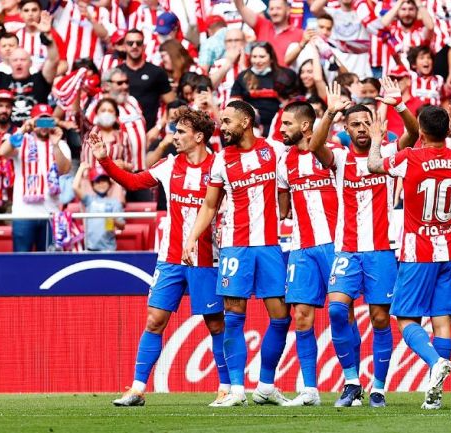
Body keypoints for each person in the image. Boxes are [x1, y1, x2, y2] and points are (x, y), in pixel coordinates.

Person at [98, 108, 230, 407]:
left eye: (181, 132)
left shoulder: (220, 166)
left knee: (215, 324)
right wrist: (103, 159)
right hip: (170, 258)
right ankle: (137, 388)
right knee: (155, 320)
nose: (175, 137)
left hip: (207, 259)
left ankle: (226, 387)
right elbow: (132, 183)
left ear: (199, 136)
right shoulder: (169, 166)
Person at [368, 104, 451, 410]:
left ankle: (435, 362)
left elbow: (373, 165)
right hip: (449, 248)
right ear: (446, 130)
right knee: (442, 322)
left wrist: (375, 138)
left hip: (417, 251)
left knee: (406, 318)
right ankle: (435, 396)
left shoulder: (409, 158)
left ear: (419, 131)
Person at [309, 80, 419, 407]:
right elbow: (316, 147)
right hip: (347, 250)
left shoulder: (386, 154)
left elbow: (412, 135)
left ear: (376, 126)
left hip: (381, 251)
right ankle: (351, 381)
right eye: (355, 124)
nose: (361, 129)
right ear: (345, 128)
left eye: (367, 123)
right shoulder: (340, 159)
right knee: (338, 309)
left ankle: (379, 387)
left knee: (380, 318)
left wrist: (399, 105)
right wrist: (328, 113)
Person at [182, 100, 291, 407]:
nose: (223, 127)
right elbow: (210, 205)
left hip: (269, 246)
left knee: (281, 317)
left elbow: (290, 181)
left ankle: (266, 385)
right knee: (233, 317)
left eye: (228, 121)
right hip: (235, 247)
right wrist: (192, 237)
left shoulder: (274, 150)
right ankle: (236, 390)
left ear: (245, 122)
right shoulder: (221, 160)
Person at [274, 101, 338, 407]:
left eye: (287, 124)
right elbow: (283, 201)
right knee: (300, 317)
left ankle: (352, 381)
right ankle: (310, 390)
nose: (281, 129)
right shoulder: (284, 161)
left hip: (335, 244)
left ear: (304, 125)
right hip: (300, 247)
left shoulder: (332, 152)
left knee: (343, 314)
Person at [0, 104, 72, 252]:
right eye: (39, 121)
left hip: (50, 213)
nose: (43, 126)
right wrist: (23, 129)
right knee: (22, 260)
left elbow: (64, 169)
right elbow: (2, 152)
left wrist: (55, 144)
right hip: (24, 214)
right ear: (32, 121)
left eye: (47, 122)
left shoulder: (61, 144)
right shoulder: (21, 140)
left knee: (49, 262)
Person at [0, 13, 60, 127]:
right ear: (10, 63)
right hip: (9, 134)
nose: (19, 63)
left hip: (37, 130)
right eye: (15, 60)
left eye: (23, 60)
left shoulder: (40, 79)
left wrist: (48, 35)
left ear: (30, 63)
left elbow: (53, 60)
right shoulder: (2, 79)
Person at [119, 29, 175, 130]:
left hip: (150, 133)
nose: (134, 46)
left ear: (144, 46)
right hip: (123, 133)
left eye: (138, 43)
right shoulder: (116, 73)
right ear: (124, 46)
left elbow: (173, 105)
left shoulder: (157, 72)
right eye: (130, 43)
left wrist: (157, 128)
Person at [232, 0, 303, 66]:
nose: (274, 12)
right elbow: (241, 7)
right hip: (259, 76)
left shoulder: (299, 34)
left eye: (278, 8)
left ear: (288, 10)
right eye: (271, 9)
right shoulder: (262, 25)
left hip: (285, 78)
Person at [72, 163, 124, 252]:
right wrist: (81, 169)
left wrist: (113, 220)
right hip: (90, 248)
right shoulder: (89, 200)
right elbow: (75, 187)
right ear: (92, 185)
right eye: (97, 181)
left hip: (109, 249)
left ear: (109, 183)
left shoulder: (115, 202)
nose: (101, 184)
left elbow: (122, 226)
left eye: (104, 181)